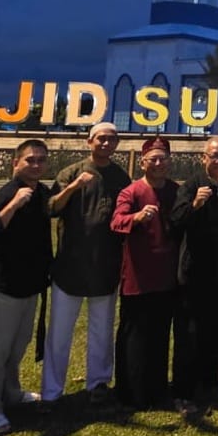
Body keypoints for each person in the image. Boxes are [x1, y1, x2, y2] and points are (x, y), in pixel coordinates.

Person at [44, 122, 130, 404]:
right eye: (101, 138)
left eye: (111, 139)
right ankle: (51, 391)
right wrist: (73, 188)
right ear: (89, 141)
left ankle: (98, 383)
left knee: (101, 330)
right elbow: (52, 208)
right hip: (70, 265)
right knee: (59, 332)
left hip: (105, 264)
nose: (106, 143)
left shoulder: (120, 176)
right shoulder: (71, 172)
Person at [0, 138, 52, 434]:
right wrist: (15, 204)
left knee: (18, 345)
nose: (36, 165)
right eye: (30, 159)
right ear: (15, 163)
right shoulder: (9, 192)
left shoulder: (41, 192)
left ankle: (11, 392)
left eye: (41, 160)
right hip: (4, 285)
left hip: (30, 284)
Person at [109, 136, 184, 411]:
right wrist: (136, 218)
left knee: (160, 335)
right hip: (138, 277)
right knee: (134, 336)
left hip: (167, 276)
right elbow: (116, 222)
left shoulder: (176, 191)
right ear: (143, 163)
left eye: (163, 158)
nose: (158, 163)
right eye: (153, 159)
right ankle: (131, 393)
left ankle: (158, 390)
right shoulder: (132, 192)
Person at [170, 136, 218, 405]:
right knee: (188, 331)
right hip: (193, 271)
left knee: (215, 327)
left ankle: (209, 382)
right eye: (213, 155)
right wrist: (195, 205)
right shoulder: (191, 186)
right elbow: (175, 221)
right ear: (203, 158)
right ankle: (183, 389)